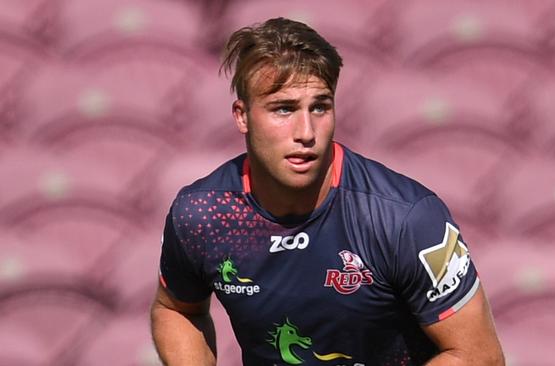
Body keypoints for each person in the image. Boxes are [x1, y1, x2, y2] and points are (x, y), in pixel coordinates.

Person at [150, 17, 504, 366]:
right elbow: (175, 310)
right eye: (284, 109)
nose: (306, 131)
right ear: (242, 116)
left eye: (319, 107)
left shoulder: (407, 218)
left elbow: (479, 356)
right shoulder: (204, 214)